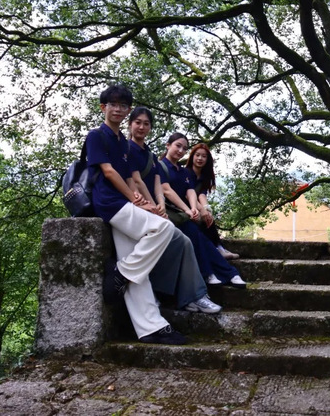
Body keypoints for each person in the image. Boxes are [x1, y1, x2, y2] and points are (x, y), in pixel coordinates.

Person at [86, 85, 183, 345]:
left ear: (127, 109)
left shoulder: (122, 142)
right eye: (113, 104)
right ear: (103, 107)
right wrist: (133, 199)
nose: (118, 109)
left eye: (123, 105)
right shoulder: (96, 136)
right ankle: (121, 272)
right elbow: (108, 172)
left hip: (125, 202)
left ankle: (150, 327)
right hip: (109, 203)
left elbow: (131, 177)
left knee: (136, 267)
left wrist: (142, 202)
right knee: (164, 228)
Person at [126, 106, 221, 314]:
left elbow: (158, 185)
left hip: (153, 209)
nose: (141, 127)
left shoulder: (150, 156)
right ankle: (189, 295)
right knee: (180, 241)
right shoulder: (126, 149)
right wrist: (152, 207)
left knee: (183, 241)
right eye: (138, 122)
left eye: (146, 123)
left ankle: (191, 295)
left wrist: (159, 204)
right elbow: (136, 182)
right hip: (136, 209)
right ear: (130, 124)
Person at [159, 132, 246, 288]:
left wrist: (194, 208)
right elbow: (166, 191)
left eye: (184, 148)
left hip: (183, 215)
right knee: (197, 237)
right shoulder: (160, 166)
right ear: (168, 145)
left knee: (201, 238)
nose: (180, 150)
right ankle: (213, 273)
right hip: (169, 215)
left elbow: (191, 191)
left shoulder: (183, 171)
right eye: (178, 146)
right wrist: (188, 209)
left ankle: (230, 274)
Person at [185, 143, 239, 260]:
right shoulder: (186, 173)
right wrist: (202, 210)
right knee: (203, 218)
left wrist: (207, 209)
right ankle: (217, 248)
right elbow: (188, 195)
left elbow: (202, 195)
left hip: (197, 205)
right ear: (192, 156)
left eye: (203, 156)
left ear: (207, 159)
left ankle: (219, 247)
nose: (200, 158)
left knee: (208, 217)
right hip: (186, 205)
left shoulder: (205, 176)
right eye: (197, 155)